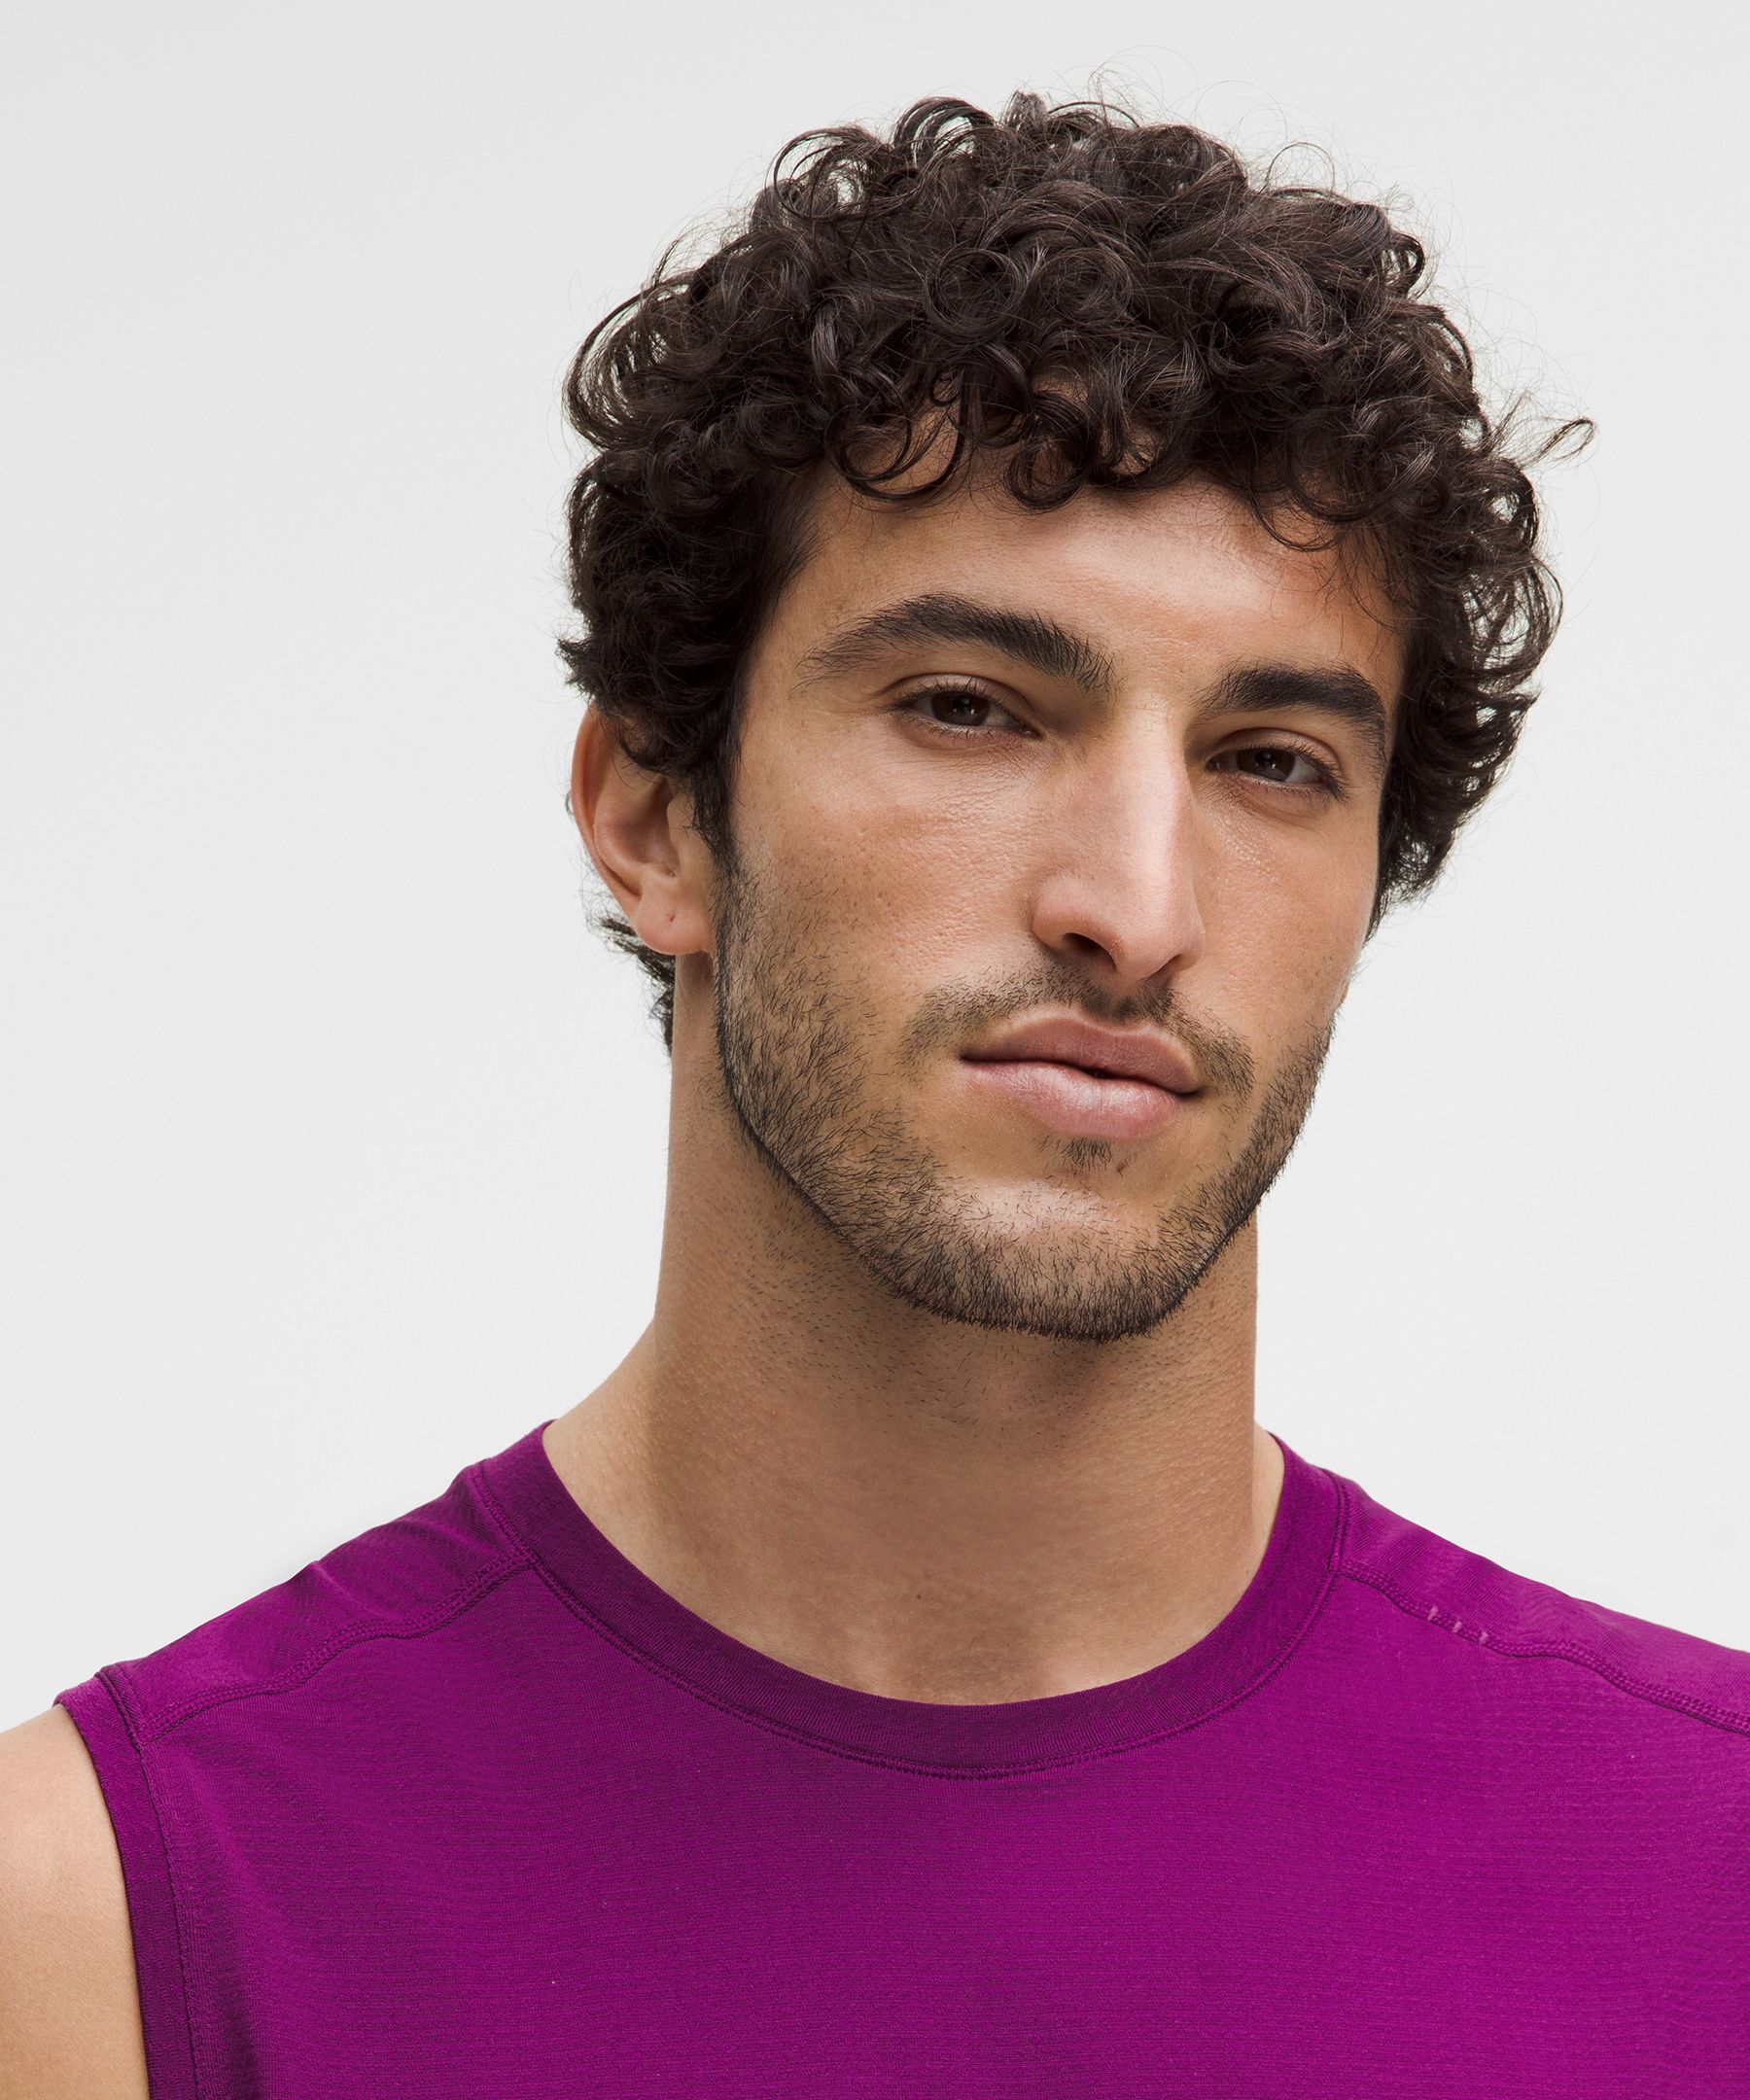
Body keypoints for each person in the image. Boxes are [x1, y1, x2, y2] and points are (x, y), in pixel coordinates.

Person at [3, 89, 1744, 2098]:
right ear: (655, 820)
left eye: (1273, 761)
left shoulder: (1707, 1881)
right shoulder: (109, 1924)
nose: (1137, 911)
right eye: (970, 709)